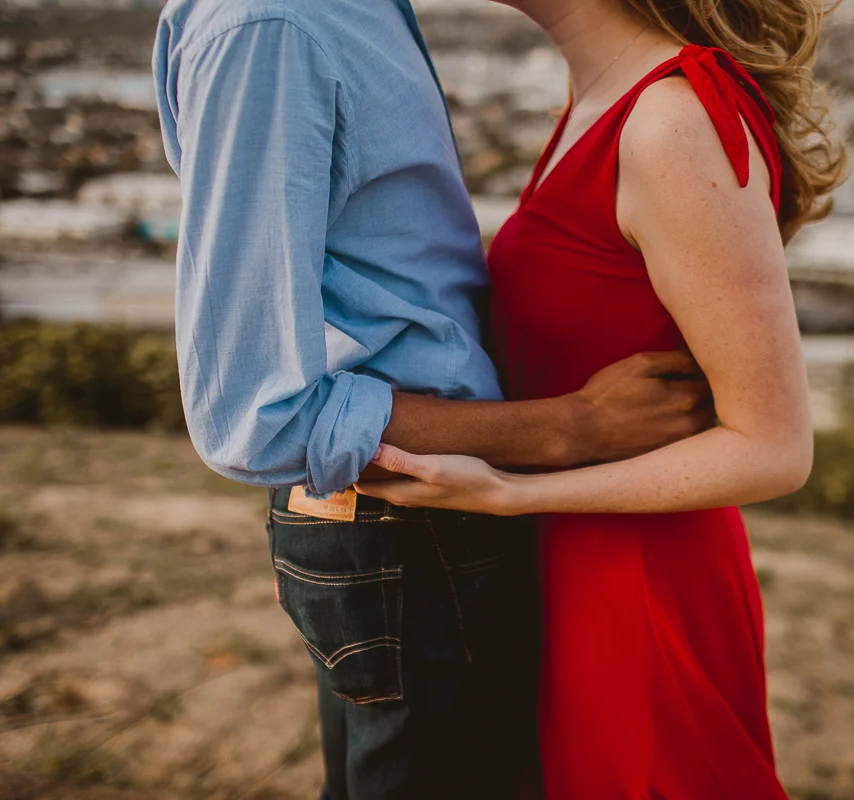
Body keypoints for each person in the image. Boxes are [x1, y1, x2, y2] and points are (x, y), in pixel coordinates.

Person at [152, 0, 714, 797]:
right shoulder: (275, 23)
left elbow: (374, 261)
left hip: (416, 522)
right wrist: (569, 428)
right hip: (413, 525)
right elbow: (253, 413)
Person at [356, 0, 848, 796]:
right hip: (575, 568)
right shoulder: (601, 99)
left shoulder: (671, 119)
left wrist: (518, 493)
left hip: (637, 592)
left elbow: (775, 448)